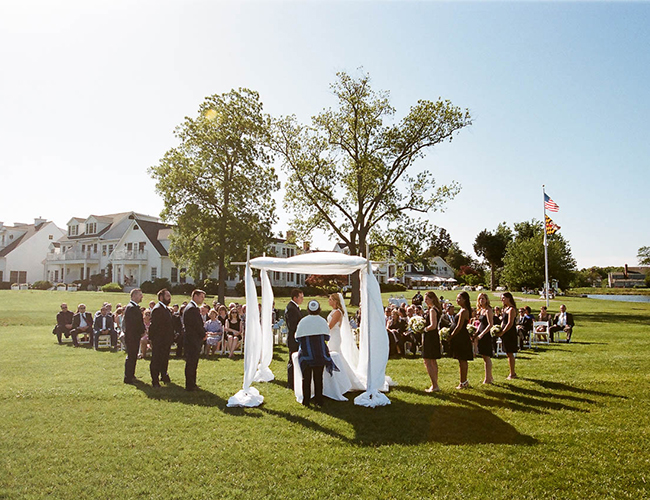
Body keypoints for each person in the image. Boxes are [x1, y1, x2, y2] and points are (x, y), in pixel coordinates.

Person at [295, 300, 338, 407]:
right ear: (319, 309)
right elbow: (327, 336)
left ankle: (306, 400)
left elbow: (297, 338)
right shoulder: (322, 321)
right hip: (319, 353)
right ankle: (319, 400)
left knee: (306, 378)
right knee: (318, 378)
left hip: (306, 353)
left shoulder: (303, 321)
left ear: (308, 309)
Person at [149, 288, 174, 387]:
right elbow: (154, 326)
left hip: (166, 339)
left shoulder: (166, 309)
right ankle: (155, 380)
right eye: (167, 296)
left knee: (164, 358)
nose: (169, 298)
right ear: (161, 297)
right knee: (156, 359)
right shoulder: (157, 309)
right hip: (159, 339)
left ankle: (164, 374)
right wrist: (152, 339)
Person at [183, 289, 206, 391]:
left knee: (192, 362)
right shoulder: (192, 309)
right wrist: (203, 334)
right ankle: (190, 384)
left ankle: (192, 382)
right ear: (195, 296)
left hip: (192, 339)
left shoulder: (191, 308)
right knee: (191, 362)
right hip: (192, 339)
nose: (202, 299)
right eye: (201, 297)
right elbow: (196, 325)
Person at [449, 292, 474, 389]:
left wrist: (451, 335)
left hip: (461, 337)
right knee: (460, 359)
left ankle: (463, 381)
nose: (457, 300)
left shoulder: (464, 311)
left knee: (463, 360)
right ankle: (463, 381)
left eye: (459, 298)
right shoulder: (461, 310)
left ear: (465, 299)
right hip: (459, 337)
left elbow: (459, 326)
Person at [123, 289, 145, 384]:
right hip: (132, 336)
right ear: (134, 296)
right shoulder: (131, 308)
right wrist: (141, 331)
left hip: (134, 336)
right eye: (140, 295)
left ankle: (131, 374)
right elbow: (134, 323)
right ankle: (128, 377)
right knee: (131, 356)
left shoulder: (133, 307)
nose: (142, 297)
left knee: (133, 356)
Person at [422, 291, 442, 393]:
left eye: (427, 299)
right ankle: (435, 384)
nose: (425, 301)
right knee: (433, 361)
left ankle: (434, 385)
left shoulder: (432, 310)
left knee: (428, 361)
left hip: (430, 336)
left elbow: (433, 325)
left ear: (432, 299)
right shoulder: (434, 309)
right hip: (433, 336)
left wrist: (424, 329)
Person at [285, 288, 304, 389]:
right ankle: (291, 383)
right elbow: (293, 326)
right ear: (295, 298)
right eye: (301, 297)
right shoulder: (291, 308)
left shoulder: (294, 307)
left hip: (296, 337)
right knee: (292, 360)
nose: (302, 299)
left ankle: (295, 381)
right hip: (293, 339)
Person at [475, 293, 494, 384]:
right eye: (480, 299)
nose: (481, 300)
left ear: (486, 300)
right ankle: (490, 376)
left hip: (486, 335)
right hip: (480, 333)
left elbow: (490, 324)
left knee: (487, 357)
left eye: (483, 299)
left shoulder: (488, 310)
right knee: (483, 356)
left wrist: (482, 334)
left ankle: (488, 379)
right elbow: (480, 323)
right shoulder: (481, 310)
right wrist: (476, 332)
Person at [499, 292, 518, 379]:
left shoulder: (512, 309)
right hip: (504, 332)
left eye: (503, 298)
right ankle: (511, 372)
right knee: (507, 353)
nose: (502, 300)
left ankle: (512, 373)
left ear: (508, 298)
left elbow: (510, 323)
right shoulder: (505, 309)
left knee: (510, 353)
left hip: (510, 333)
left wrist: (503, 331)